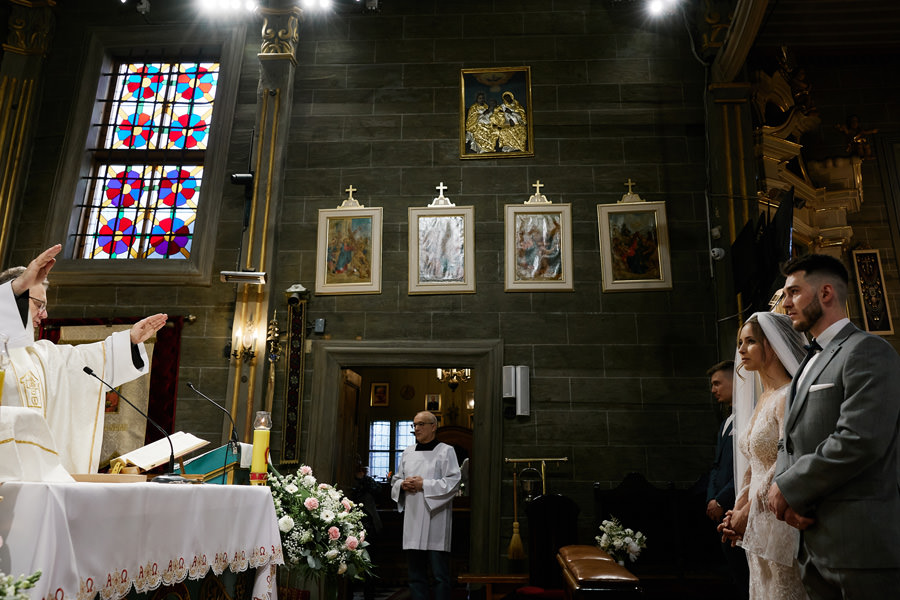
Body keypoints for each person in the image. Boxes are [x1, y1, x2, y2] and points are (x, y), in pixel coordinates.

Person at [767, 254, 900, 599]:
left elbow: (859, 439)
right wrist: (788, 499)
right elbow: (788, 440)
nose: (785, 304)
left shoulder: (867, 351)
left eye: (794, 292)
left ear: (826, 293)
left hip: (859, 544)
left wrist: (789, 488)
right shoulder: (808, 360)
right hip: (812, 540)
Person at [0, 244, 167, 480]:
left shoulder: (40, 356)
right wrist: (17, 288)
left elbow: (84, 362)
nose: (44, 315)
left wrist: (129, 341)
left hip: (33, 481)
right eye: (39, 305)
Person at [720, 312, 809, 599]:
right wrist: (738, 509)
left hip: (779, 513)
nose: (741, 350)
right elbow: (752, 462)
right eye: (740, 343)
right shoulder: (764, 397)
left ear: (771, 345)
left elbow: (785, 459)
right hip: (756, 519)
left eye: (750, 342)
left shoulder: (787, 396)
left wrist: (749, 510)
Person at [390, 411, 461, 600]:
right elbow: (396, 479)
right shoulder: (408, 452)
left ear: (433, 426)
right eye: (414, 425)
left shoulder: (446, 451)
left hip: (435, 520)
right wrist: (402, 485)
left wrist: (424, 485)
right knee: (415, 576)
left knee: (440, 576)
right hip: (413, 520)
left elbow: (453, 482)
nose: (417, 428)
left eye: (421, 424)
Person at [705, 360, 749, 598]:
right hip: (721, 509)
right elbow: (717, 466)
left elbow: (746, 467)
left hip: (739, 505)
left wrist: (722, 499)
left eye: (717, 383)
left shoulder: (748, 416)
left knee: (745, 573)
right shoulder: (726, 422)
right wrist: (711, 498)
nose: (714, 390)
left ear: (734, 381)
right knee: (735, 573)